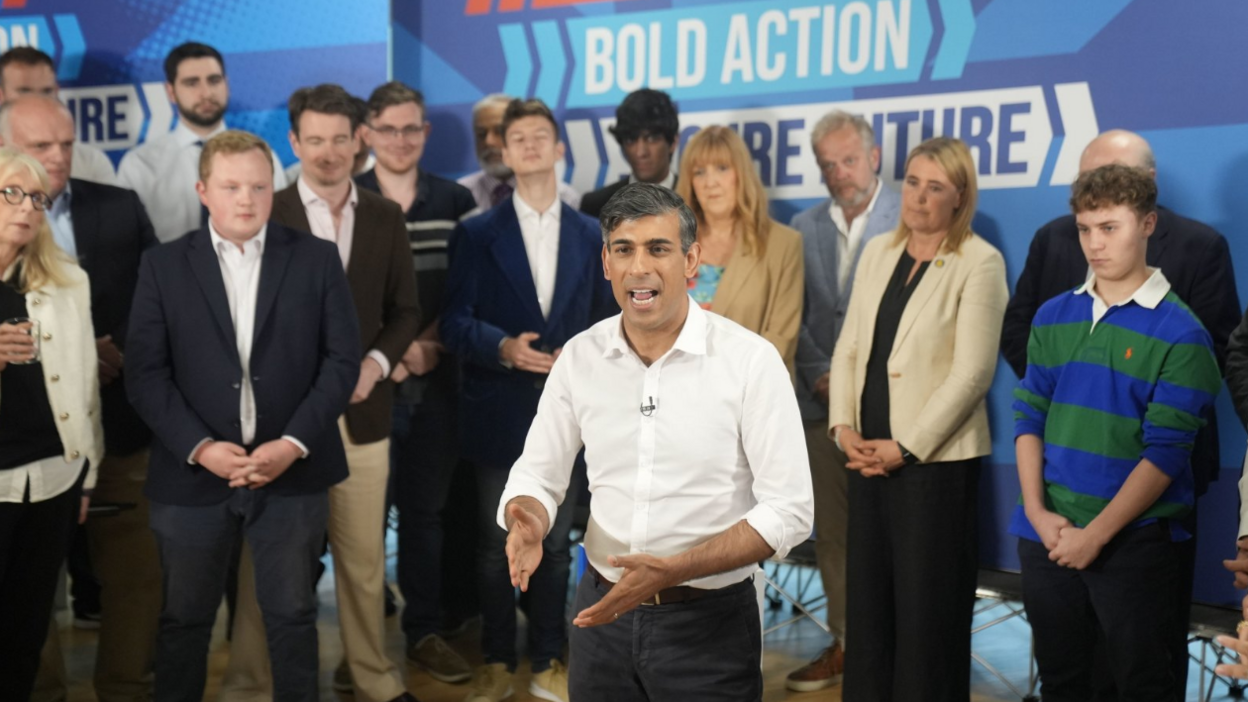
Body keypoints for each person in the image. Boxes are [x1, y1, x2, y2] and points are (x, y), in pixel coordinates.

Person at [500, 182, 813, 701]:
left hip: (710, 628)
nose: (639, 267)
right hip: (599, 618)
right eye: (624, 249)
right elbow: (537, 473)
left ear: (691, 260)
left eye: (658, 249)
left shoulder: (750, 362)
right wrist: (527, 516)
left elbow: (790, 511)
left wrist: (675, 569)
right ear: (606, 262)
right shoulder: (580, 358)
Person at [1000, 129, 1239, 698]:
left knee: (1139, 684)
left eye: (1110, 228)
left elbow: (1166, 451)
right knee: (1061, 682)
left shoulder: (1182, 332)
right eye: (1085, 229)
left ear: (1148, 224)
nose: (1094, 245)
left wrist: (1096, 536)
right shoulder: (1055, 314)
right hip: (1048, 533)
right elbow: (1029, 415)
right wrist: (1036, 512)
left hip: (1134, 543)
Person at [125, 130, 359, 702]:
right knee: (183, 622)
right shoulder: (161, 266)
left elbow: (342, 361)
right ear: (204, 190)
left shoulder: (315, 259)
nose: (247, 199)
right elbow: (145, 374)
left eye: (259, 185)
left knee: (294, 617)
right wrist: (201, 447)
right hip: (191, 475)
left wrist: (295, 442)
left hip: (292, 471)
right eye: (231, 186)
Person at [221, 84, 421, 702]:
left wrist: (378, 363)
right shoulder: (266, 209)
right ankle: (248, 685)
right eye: (315, 139)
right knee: (267, 567)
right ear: (294, 141)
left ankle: (375, 681)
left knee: (364, 566)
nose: (329, 152)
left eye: (340, 138)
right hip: (278, 423)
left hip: (363, 416)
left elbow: (405, 311)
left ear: (359, 139)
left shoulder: (386, 214)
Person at [440, 98, 615, 702]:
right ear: (505, 153)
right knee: (495, 544)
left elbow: (611, 324)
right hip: (498, 409)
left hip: (571, 418)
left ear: (560, 148)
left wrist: (583, 356)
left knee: (560, 545)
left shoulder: (595, 235)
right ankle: (495, 658)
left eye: (544, 136)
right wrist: (503, 347)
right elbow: (455, 323)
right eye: (520, 138)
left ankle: (548, 657)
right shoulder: (475, 233)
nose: (533, 146)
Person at [828, 137, 1007, 702]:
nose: (920, 198)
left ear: (960, 197)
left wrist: (905, 448)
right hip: (865, 461)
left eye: (936, 188)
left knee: (929, 620)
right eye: (912, 182)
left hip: (933, 469)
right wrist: (842, 429)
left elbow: (973, 374)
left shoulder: (980, 261)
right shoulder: (880, 249)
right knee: (871, 609)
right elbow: (850, 346)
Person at [0, 95, 161, 702]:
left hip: (88, 448)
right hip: (10, 465)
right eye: (39, 149)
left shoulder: (101, 231)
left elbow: (155, 302)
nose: (56, 159)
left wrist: (106, 349)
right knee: (22, 610)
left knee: (117, 585)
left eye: (65, 145)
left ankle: (124, 689)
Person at [356, 80, 478, 683]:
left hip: (436, 390)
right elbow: (339, 295)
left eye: (411, 128)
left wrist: (426, 344)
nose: (400, 140)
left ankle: (424, 632)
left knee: (427, 520)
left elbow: (466, 292)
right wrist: (390, 353)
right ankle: (363, 650)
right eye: (388, 129)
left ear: (425, 134)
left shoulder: (455, 202)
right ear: (366, 135)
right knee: (362, 524)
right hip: (365, 392)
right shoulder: (345, 200)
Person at [784, 110, 900, 693]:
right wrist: (822, 375)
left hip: (894, 414)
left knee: (897, 535)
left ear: (874, 157)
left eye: (848, 160)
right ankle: (848, 644)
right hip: (820, 406)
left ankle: (897, 650)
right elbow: (794, 315)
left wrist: (860, 384)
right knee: (834, 534)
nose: (839, 174)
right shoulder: (801, 226)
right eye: (827, 165)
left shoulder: (913, 213)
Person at [0, 146, 102, 701]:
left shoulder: (67, 281)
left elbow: (85, 383)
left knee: (27, 628)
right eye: (11, 192)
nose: (27, 206)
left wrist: (87, 471)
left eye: (37, 197)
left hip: (53, 477)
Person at [117, 42, 286, 243]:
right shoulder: (141, 165)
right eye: (192, 83)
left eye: (214, 81)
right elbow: (127, 244)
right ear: (170, 92)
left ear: (227, 84)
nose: (206, 93)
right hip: (170, 273)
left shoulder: (261, 158)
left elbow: (281, 231)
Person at [674, 125, 803, 372]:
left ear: (741, 174)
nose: (710, 182)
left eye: (721, 168)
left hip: (747, 397)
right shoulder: (671, 243)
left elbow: (780, 341)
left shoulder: (783, 244)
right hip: (672, 392)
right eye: (699, 172)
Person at [0, 47, 117, 185]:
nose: (38, 100)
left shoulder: (90, 162)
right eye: (24, 91)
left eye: (46, 91)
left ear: (57, 91)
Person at [458, 93, 580, 213]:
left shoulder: (565, 198)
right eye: (481, 134)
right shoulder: (459, 194)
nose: (489, 141)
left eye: (499, 131)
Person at [579, 88, 678, 218]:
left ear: (673, 143)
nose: (640, 152)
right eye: (631, 140)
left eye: (652, 139)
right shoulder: (595, 205)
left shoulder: (699, 201)